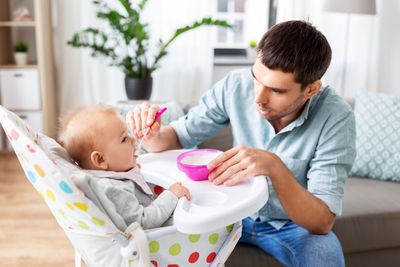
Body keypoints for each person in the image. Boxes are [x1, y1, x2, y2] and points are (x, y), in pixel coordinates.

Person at [126, 20, 356, 266]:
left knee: (326, 257)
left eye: (276, 91)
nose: (258, 97)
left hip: (289, 225)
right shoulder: (234, 86)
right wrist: (151, 135)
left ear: (311, 89)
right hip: (228, 213)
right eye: (256, 78)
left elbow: (321, 222)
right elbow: (177, 137)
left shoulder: (336, 117)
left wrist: (274, 167)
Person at [58, 105, 190, 231]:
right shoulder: (112, 189)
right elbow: (143, 222)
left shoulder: (114, 172)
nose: (133, 139)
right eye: (124, 138)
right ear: (100, 159)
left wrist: (131, 169)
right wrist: (171, 195)